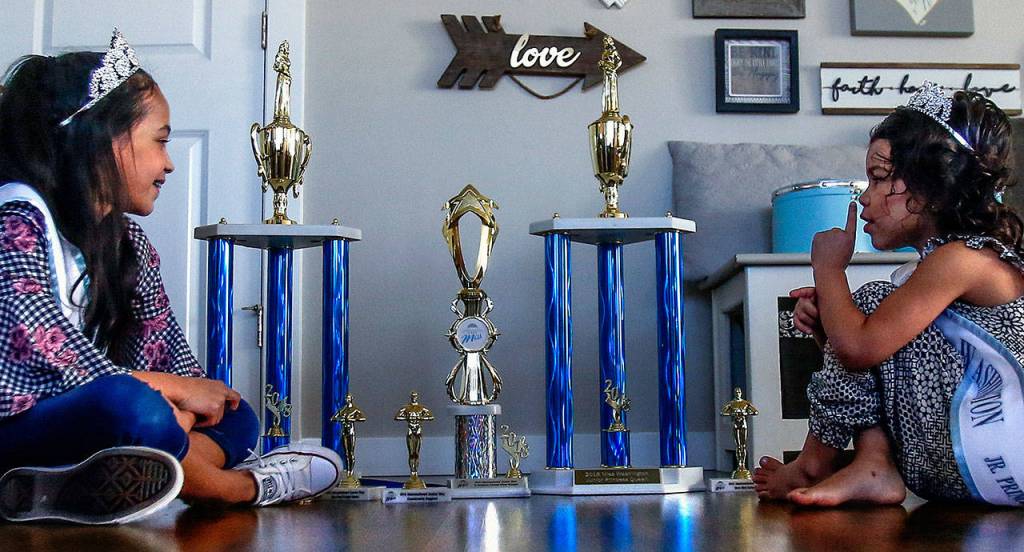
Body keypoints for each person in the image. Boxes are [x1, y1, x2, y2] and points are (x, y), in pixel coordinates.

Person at [0, 29, 342, 524]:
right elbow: (43, 358)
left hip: (87, 425)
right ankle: (242, 488)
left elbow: (169, 359)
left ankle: (60, 488)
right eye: (159, 141)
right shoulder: (15, 220)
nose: (169, 164)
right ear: (102, 140)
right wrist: (169, 397)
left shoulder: (128, 243)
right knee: (134, 409)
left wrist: (185, 397)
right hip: (17, 426)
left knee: (235, 415)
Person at [754, 81, 1024, 507]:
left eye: (879, 179)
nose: (865, 197)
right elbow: (860, 355)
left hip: (1000, 463)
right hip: (983, 468)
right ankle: (873, 463)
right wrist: (830, 322)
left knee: (869, 304)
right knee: (867, 311)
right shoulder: (951, 263)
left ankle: (814, 465)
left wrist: (829, 270)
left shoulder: (963, 259)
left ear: (932, 188)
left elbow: (858, 348)